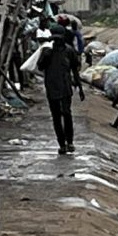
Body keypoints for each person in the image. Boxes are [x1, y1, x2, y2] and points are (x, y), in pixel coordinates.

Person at [38, 26, 84, 154]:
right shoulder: (47, 51)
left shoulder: (69, 51)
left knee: (67, 114)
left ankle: (70, 142)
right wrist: (46, 56)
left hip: (65, 87)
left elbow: (75, 69)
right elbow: (40, 67)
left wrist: (80, 88)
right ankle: (61, 143)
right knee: (56, 116)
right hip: (52, 87)